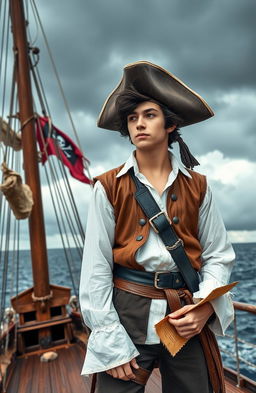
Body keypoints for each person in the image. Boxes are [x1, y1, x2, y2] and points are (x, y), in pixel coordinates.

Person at [79, 61, 235, 393]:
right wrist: (109, 341)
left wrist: (205, 306)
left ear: (170, 124)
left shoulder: (199, 186)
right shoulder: (107, 187)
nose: (139, 124)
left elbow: (219, 257)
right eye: (132, 118)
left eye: (149, 115)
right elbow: (95, 268)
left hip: (185, 314)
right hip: (126, 316)